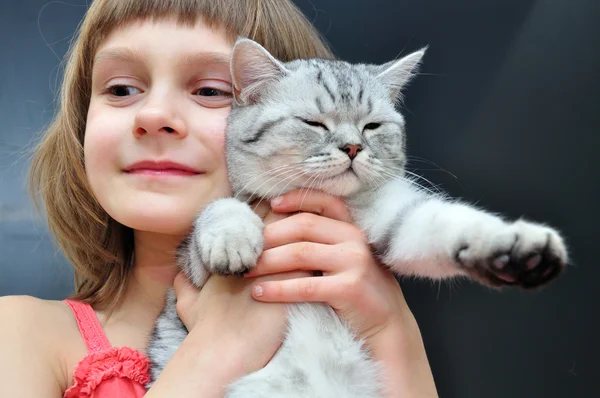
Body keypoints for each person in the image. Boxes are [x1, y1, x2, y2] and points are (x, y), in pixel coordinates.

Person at [0, 0, 438, 396]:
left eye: (211, 90)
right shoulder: (20, 333)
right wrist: (222, 346)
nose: (154, 116)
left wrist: (389, 330)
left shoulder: (379, 320)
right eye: (121, 90)